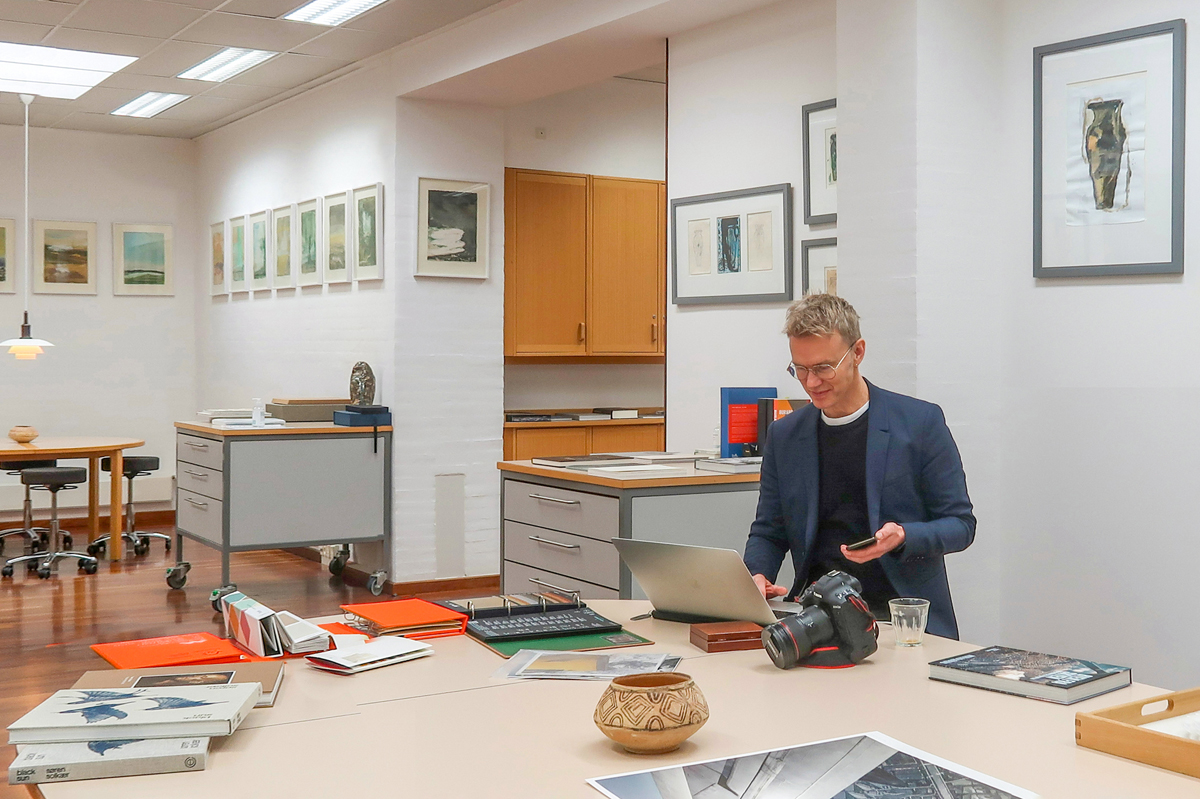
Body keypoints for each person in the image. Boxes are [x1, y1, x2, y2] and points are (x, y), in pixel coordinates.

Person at [744, 294, 975, 639]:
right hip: (817, 617)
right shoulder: (785, 435)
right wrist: (756, 576)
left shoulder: (919, 423)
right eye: (800, 369)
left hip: (901, 618)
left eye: (823, 368)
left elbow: (961, 525)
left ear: (858, 352)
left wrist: (903, 536)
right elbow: (769, 530)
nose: (811, 383)